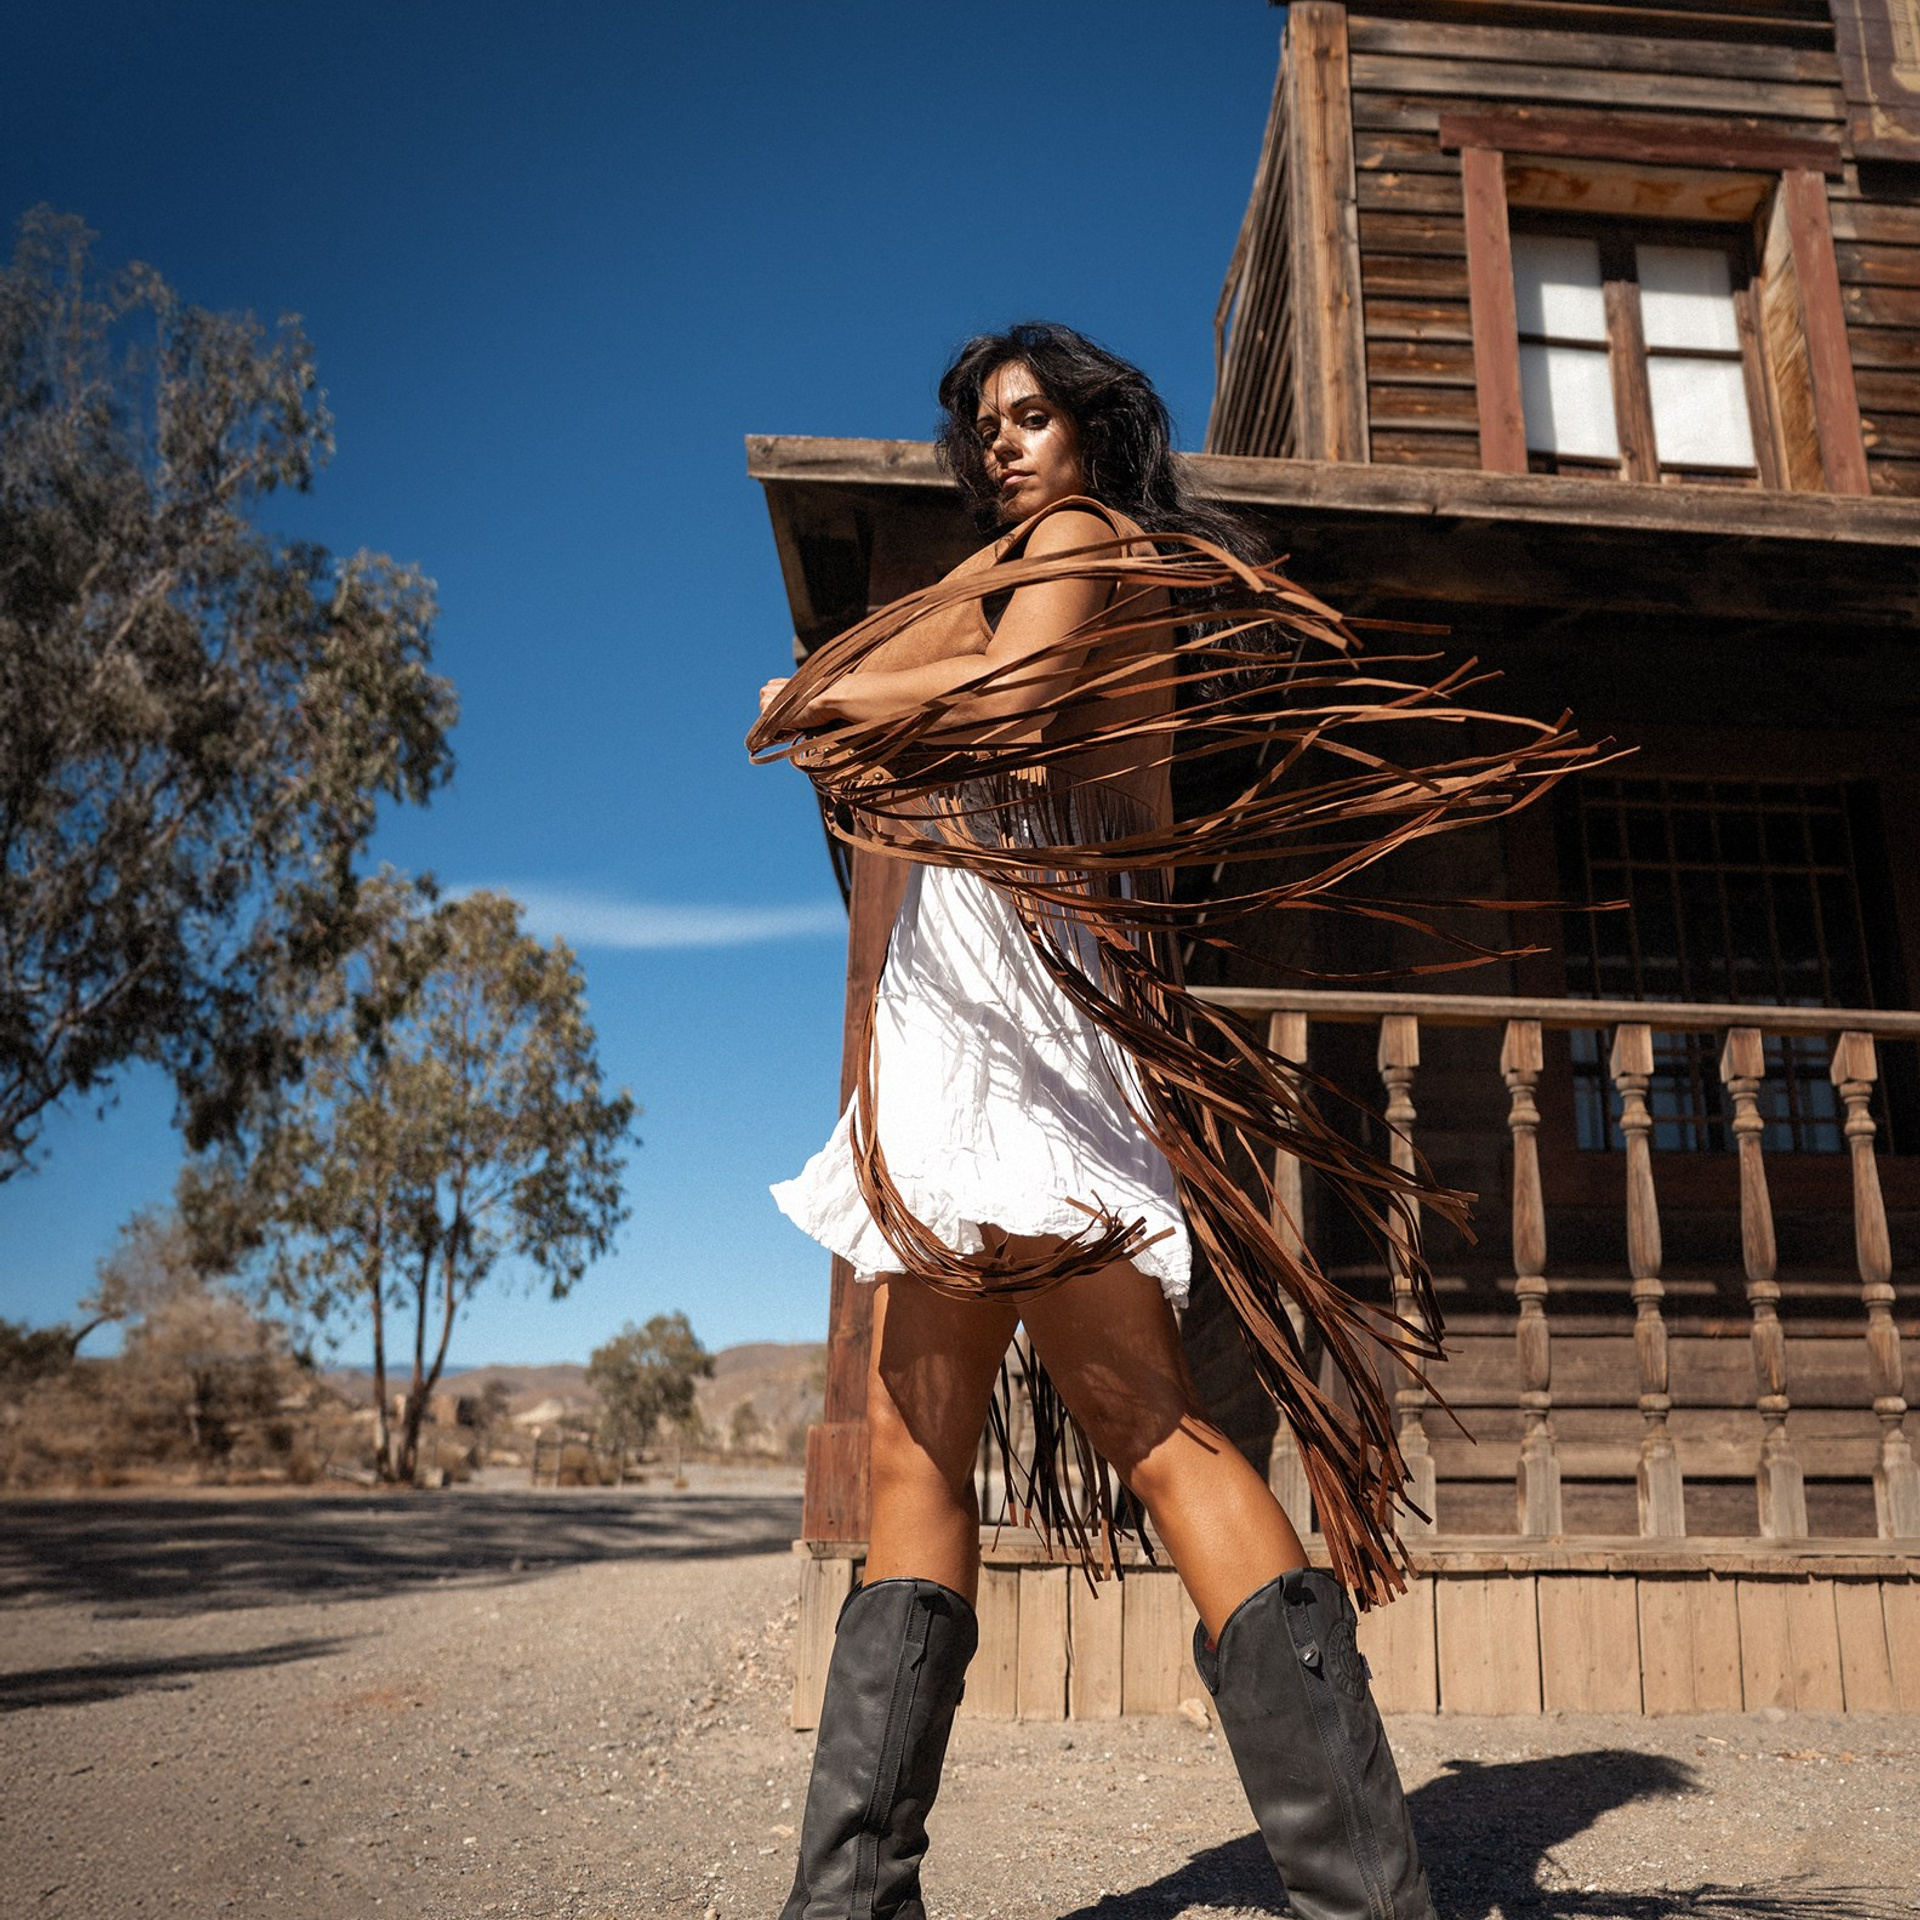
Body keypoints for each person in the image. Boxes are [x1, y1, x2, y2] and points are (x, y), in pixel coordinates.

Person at [749, 323, 1576, 1920]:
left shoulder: (1081, 544)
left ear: (1093, 432)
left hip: (1018, 1029)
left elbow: (1014, 705)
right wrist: (849, 696)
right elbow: (973, 699)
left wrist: (824, 689)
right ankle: (855, 1902)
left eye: (1031, 414)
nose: (1003, 444)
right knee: (923, 1449)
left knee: (1152, 1433)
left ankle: (1362, 1897)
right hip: (968, 1028)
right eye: (983, 425)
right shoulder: (1034, 568)